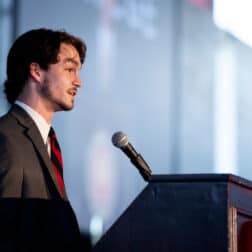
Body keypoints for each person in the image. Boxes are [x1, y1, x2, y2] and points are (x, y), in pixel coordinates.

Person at [0, 28, 88, 251]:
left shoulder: (48, 140)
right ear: (36, 71)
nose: (79, 82)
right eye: (69, 70)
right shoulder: (5, 136)